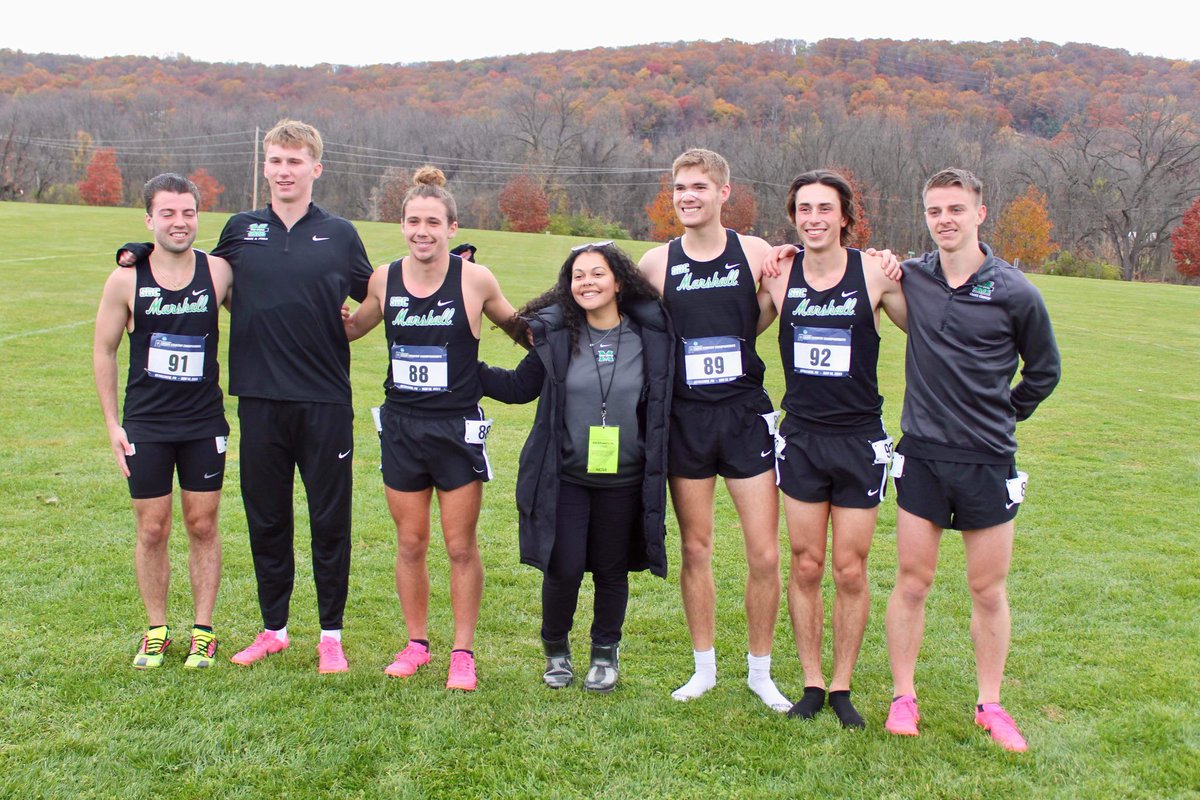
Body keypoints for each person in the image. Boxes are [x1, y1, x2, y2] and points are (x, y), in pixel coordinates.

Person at [883, 168, 1060, 752]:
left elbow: (1045, 370)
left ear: (980, 214)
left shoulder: (1015, 290)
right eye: (935, 210)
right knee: (912, 581)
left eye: (956, 209)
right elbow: (848, 269)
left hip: (987, 459)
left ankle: (991, 704)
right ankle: (903, 697)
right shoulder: (912, 277)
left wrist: (1005, 412)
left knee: (987, 589)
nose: (945, 220)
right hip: (923, 455)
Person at [343, 166, 516, 691]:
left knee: (460, 545)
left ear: (451, 227)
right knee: (410, 542)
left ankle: (462, 652)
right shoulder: (384, 278)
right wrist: (308, 309)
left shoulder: (475, 280)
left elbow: (521, 329)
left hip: (455, 429)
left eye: (433, 222)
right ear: (401, 225)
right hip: (401, 426)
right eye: (414, 221)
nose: (423, 231)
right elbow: (353, 328)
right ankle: (416, 644)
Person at [477, 242, 673, 692]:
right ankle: (556, 650)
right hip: (566, 477)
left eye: (597, 273)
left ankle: (605, 652)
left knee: (611, 570)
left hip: (625, 478)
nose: (587, 282)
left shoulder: (649, 337)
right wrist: (464, 361)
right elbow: (517, 387)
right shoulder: (558, 336)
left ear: (619, 282)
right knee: (562, 568)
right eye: (578, 275)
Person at [637, 148, 790, 711]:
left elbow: (772, 307)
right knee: (696, 547)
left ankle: (760, 672)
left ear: (725, 192)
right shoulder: (657, 262)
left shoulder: (755, 252)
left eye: (699, 186)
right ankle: (703, 668)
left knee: (764, 554)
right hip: (686, 421)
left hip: (744, 416)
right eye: (680, 187)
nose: (688, 196)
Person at [757, 170, 907, 727]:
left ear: (845, 217)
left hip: (858, 440)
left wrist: (900, 264)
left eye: (825, 208)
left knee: (848, 568)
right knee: (806, 563)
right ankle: (813, 682)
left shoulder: (875, 273)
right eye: (804, 208)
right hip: (802, 439)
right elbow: (731, 325)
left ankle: (842, 686)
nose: (814, 218)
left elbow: (933, 328)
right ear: (793, 216)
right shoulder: (779, 275)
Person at [94, 173, 233, 669]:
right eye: (168, 213)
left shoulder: (218, 272)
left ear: (198, 216)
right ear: (149, 218)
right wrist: (113, 425)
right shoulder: (126, 279)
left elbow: (268, 311)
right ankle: (156, 629)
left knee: (202, 524)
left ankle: (203, 631)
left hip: (203, 423)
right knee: (152, 529)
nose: (180, 222)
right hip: (147, 424)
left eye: (188, 212)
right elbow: (104, 350)